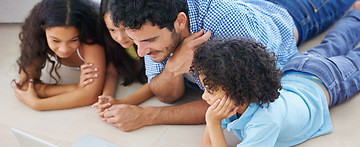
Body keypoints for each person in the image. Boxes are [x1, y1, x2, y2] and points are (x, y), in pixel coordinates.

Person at [99, 0, 354, 131]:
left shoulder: (224, 27)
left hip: (292, 12)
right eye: (135, 42)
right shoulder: (148, 30)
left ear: (179, 21)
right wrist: (173, 68)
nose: (140, 51)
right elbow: (168, 95)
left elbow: (233, 103)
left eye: (149, 42)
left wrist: (147, 116)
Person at [190, 7, 360, 147]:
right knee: (335, 41)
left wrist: (213, 122)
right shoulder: (237, 101)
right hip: (297, 68)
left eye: (210, 90)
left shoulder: (264, 120)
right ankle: (357, 13)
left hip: (326, 81)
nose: (203, 97)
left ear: (236, 89)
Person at [13, 0, 106, 111]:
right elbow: (25, 86)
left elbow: (91, 95)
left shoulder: (90, 42)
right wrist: (75, 87)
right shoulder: (37, 40)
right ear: (43, 31)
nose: (64, 49)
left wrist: (38, 104)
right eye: (55, 41)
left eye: (73, 40)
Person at [92, 0, 153, 114]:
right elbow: (111, 71)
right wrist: (106, 98)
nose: (120, 38)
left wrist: (122, 102)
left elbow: (156, 81)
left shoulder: (150, 41)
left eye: (125, 29)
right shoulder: (111, 42)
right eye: (112, 30)